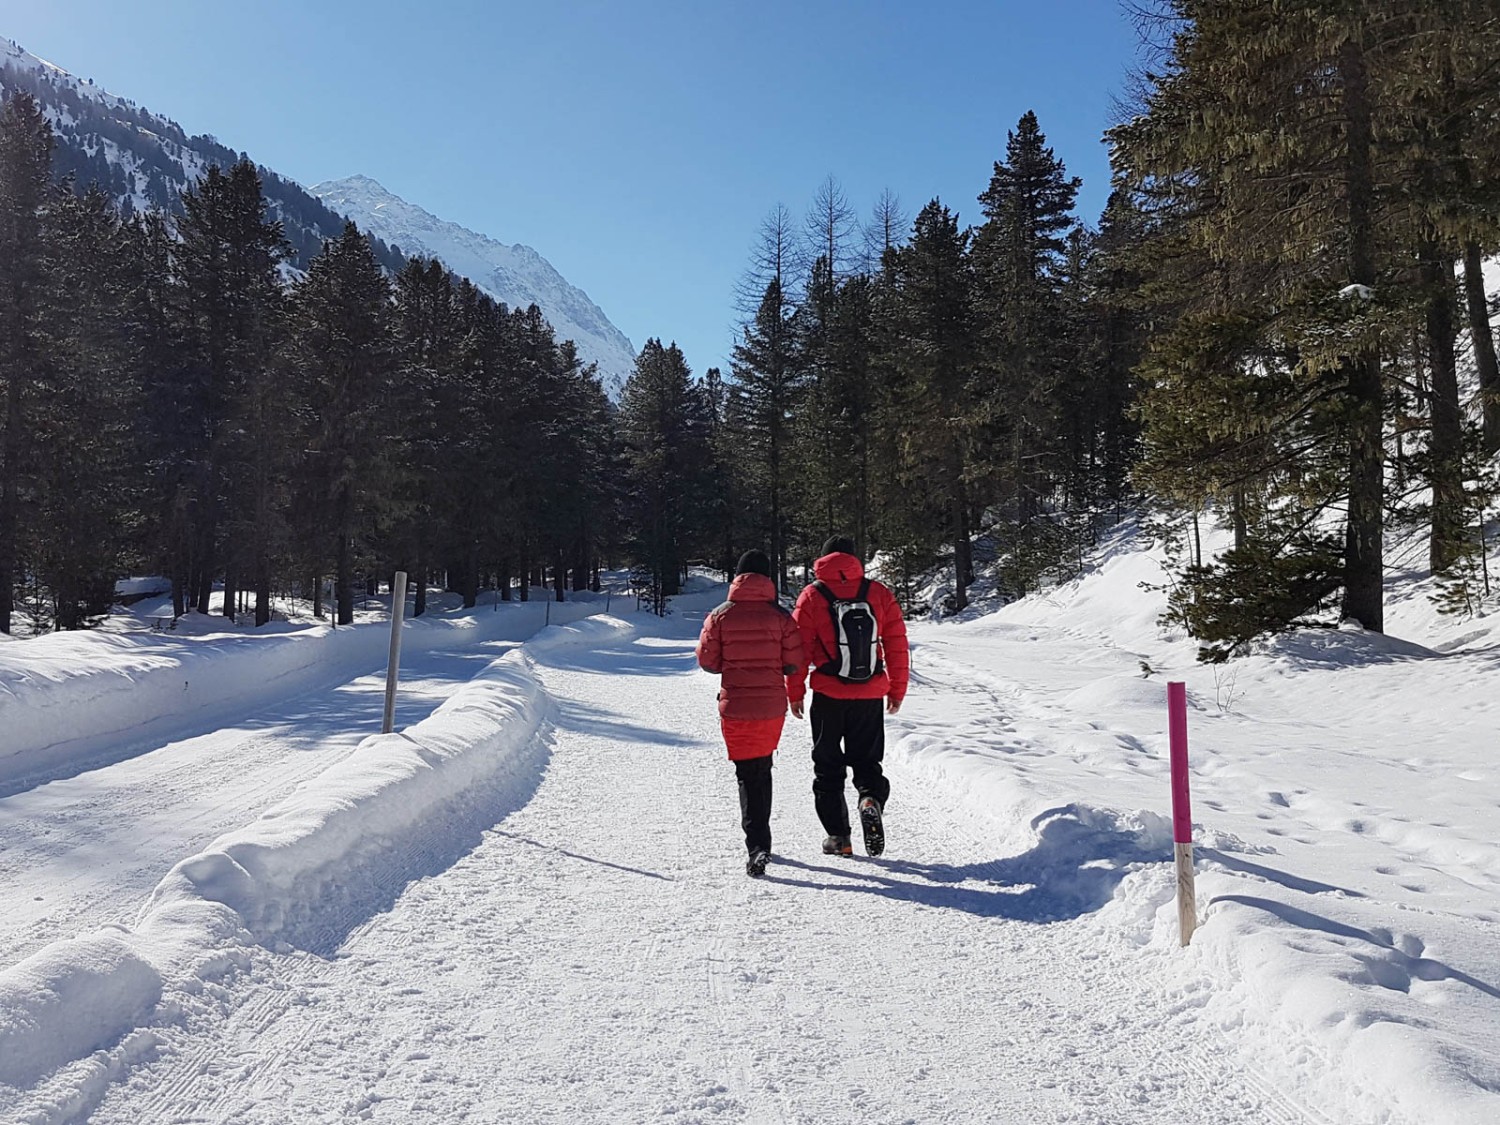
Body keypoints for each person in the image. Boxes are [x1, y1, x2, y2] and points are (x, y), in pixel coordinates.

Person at [790, 536, 909, 857]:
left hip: (828, 693)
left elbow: (798, 650)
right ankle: (869, 798)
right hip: (869, 693)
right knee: (867, 761)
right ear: (855, 560)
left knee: (827, 766)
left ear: (823, 559)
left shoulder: (812, 595)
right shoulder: (878, 593)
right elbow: (897, 643)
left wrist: (795, 691)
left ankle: (839, 838)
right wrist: (896, 689)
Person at [696, 549, 805, 878]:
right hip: (771, 706)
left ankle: (756, 845)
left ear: (739, 578)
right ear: (767, 579)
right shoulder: (781, 617)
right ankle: (763, 843)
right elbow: (794, 662)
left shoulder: (720, 615)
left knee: (747, 774)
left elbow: (708, 661)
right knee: (763, 767)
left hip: (737, 707)